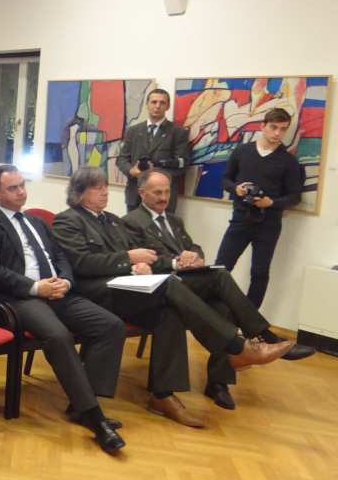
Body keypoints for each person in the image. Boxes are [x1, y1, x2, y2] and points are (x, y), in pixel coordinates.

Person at [52, 167, 294, 428]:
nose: (105, 192)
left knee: (171, 311)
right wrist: (128, 260)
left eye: (105, 186)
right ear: (80, 193)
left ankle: (162, 395)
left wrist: (140, 265)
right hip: (97, 292)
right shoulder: (67, 220)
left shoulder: (111, 220)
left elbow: (138, 254)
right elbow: (82, 263)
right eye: (97, 188)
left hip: (127, 287)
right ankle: (237, 347)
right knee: (168, 284)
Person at [123, 169, 314, 409]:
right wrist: (175, 261)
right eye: (157, 192)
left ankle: (218, 383)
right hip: (165, 285)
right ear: (142, 193)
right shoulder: (131, 222)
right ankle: (264, 337)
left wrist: (195, 256)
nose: (164, 197)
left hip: (188, 281)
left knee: (223, 307)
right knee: (220, 276)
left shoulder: (174, 220)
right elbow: (142, 261)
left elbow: (193, 246)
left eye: (167, 191)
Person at [0, 165, 126, 453]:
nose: (21, 192)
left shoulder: (39, 222)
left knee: (110, 326)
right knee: (58, 335)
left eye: (22, 185)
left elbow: (60, 256)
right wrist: (35, 287)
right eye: (13, 188)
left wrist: (65, 281)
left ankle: (82, 403)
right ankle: (94, 416)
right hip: (19, 298)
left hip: (57, 292)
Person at [213, 107, 304, 308]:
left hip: (269, 224)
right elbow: (226, 179)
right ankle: (213, 313)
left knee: (260, 272)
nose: (277, 133)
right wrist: (236, 189)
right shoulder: (242, 151)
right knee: (221, 267)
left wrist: (271, 203)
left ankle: (250, 319)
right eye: (273, 127)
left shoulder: (288, 161)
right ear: (263, 126)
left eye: (283, 129)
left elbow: (295, 196)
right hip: (240, 218)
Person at [116, 88, 189, 212]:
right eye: (154, 102)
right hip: (135, 195)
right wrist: (131, 171)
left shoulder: (178, 132)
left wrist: (154, 177)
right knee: (132, 225)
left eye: (162, 103)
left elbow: (183, 165)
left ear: (168, 106)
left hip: (162, 198)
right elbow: (121, 159)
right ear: (147, 105)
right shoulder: (133, 131)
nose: (157, 106)